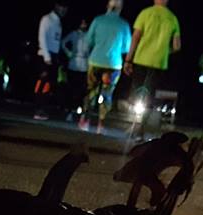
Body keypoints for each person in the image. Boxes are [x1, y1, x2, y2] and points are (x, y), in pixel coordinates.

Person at [80, 0, 133, 133]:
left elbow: (88, 40)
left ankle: (85, 120)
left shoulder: (98, 20)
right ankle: (101, 123)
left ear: (108, 6)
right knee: (107, 94)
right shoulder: (124, 25)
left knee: (91, 91)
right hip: (114, 64)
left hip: (95, 60)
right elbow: (126, 48)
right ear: (120, 8)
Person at [124, 0, 181, 116]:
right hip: (159, 62)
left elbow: (136, 37)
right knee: (150, 92)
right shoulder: (173, 18)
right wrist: (165, 51)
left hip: (141, 58)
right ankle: (144, 119)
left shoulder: (145, 13)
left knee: (137, 89)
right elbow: (177, 46)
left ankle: (133, 114)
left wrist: (128, 59)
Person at [34, 2, 69, 121]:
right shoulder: (47, 19)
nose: (64, 11)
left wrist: (56, 58)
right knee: (43, 83)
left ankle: (43, 108)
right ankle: (38, 109)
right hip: (45, 55)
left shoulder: (58, 22)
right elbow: (42, 37)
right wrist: (47, 57)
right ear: (56, 6)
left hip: (53, 56)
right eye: (62, 7)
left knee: (49, 85)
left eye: (65, 9)